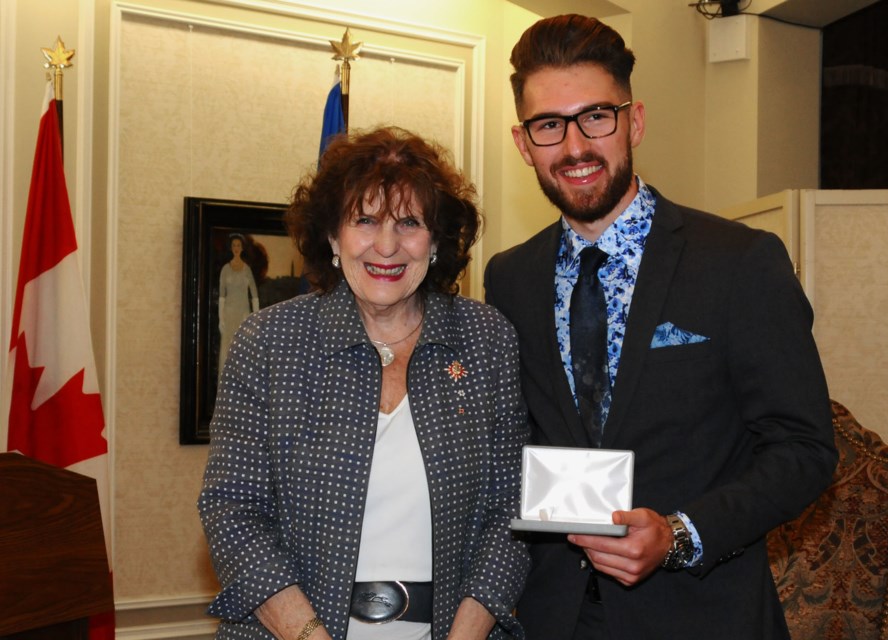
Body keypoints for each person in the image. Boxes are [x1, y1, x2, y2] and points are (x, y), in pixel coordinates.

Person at [483, 14, 838, 640]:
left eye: (596, 116)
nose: (574, 147)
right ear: (523, 142)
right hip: (551, 614)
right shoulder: (509, 279)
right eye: (549, 125)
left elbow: (804, 450)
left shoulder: (739, 262)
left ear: (634, 121)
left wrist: (680, 534)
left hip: (701, 613)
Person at [199, 126, 530, 640]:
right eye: (365, 219)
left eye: (409, 222)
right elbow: (232, 509)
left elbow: (511, 511)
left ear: (437, 241)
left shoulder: (486, 339)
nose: (386, 245)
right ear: (333, 235)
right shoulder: (268, 342)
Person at [218, 234, 259, 375]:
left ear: (242, 249)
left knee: (243, 349)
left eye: (238, 246)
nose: (236, 248)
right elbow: (222, 296)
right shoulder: (225, 269)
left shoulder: (247, 269)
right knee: (227, 350)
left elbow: (254, 295)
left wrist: (255, 319)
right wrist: (221, 319)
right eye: (234, 245)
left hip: (243, 314)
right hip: (228, 315)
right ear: (231, 248)